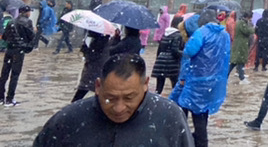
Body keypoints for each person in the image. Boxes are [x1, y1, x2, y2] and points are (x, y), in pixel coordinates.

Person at [34, 53, 194, 147]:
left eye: (129, 98)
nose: (119, 108)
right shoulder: (68, 119)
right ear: (98, 86)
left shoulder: (169, 117)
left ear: (145, 84)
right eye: (110, 98)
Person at [170, 7, 230, 147]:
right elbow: (226, 56)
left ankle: (187, 141)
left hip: (196, 81)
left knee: (184, 114)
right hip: (214, 81)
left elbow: (189, 52)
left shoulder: (201, 32)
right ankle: (199, 141)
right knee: (202, 115)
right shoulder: (225, 35)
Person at [0, 4, 34, 106]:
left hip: (9, 50)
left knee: (4, 74)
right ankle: (10, 99)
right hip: (19, 52)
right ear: (25, 12)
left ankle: (1, 97)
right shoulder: (28, 22)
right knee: (14, 75)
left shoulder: (11, 22)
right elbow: (31, 37)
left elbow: (4, 37)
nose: (30, 14)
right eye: (29, 12)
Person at [72, 30, 112, 102]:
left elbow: (91, 56)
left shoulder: (97, 42)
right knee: (100, 93)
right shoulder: (105, 40)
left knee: (80, 94)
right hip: (99, 72)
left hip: (93, 72)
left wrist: (85, 49)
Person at [151, 16, 184, 95]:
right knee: (175, 86)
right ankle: (174, 101)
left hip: (161, 61)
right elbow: (174, 51)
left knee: (159, 88)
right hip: (172, 63)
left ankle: (155, 99)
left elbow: (160, 49)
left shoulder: (165, 34)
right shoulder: (178, 35)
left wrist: (158, 60)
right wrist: (184, 53)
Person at [229, 12, 253, 84]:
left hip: (241, 44)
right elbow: (246, 31)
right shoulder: (242, 23)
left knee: (235, 61)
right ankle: (242, 78)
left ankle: (226, 76)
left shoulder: (240, 22)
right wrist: (253, 29)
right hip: (241, 45)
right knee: (239, 61)